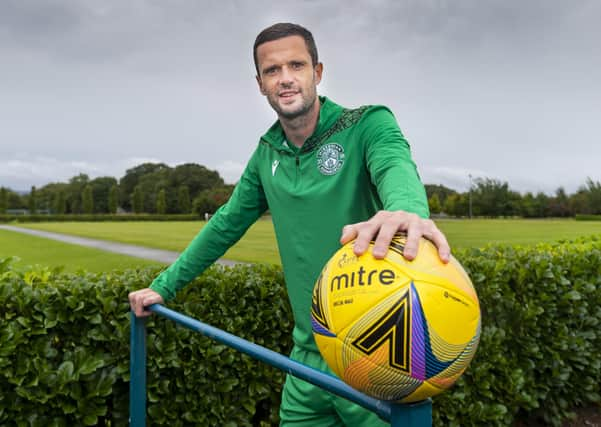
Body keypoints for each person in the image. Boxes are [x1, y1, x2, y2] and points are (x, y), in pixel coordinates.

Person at [129, 22, 450, 427]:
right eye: (272, 70)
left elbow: (395, 166)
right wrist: (161, 287)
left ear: (317, 72)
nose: (285, 78)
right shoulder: (267, 153)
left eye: (296, 65)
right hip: (307, 363)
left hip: (376, 360)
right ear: (260, 84)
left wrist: (406, 210)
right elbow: (224, 225)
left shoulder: (368, 124)